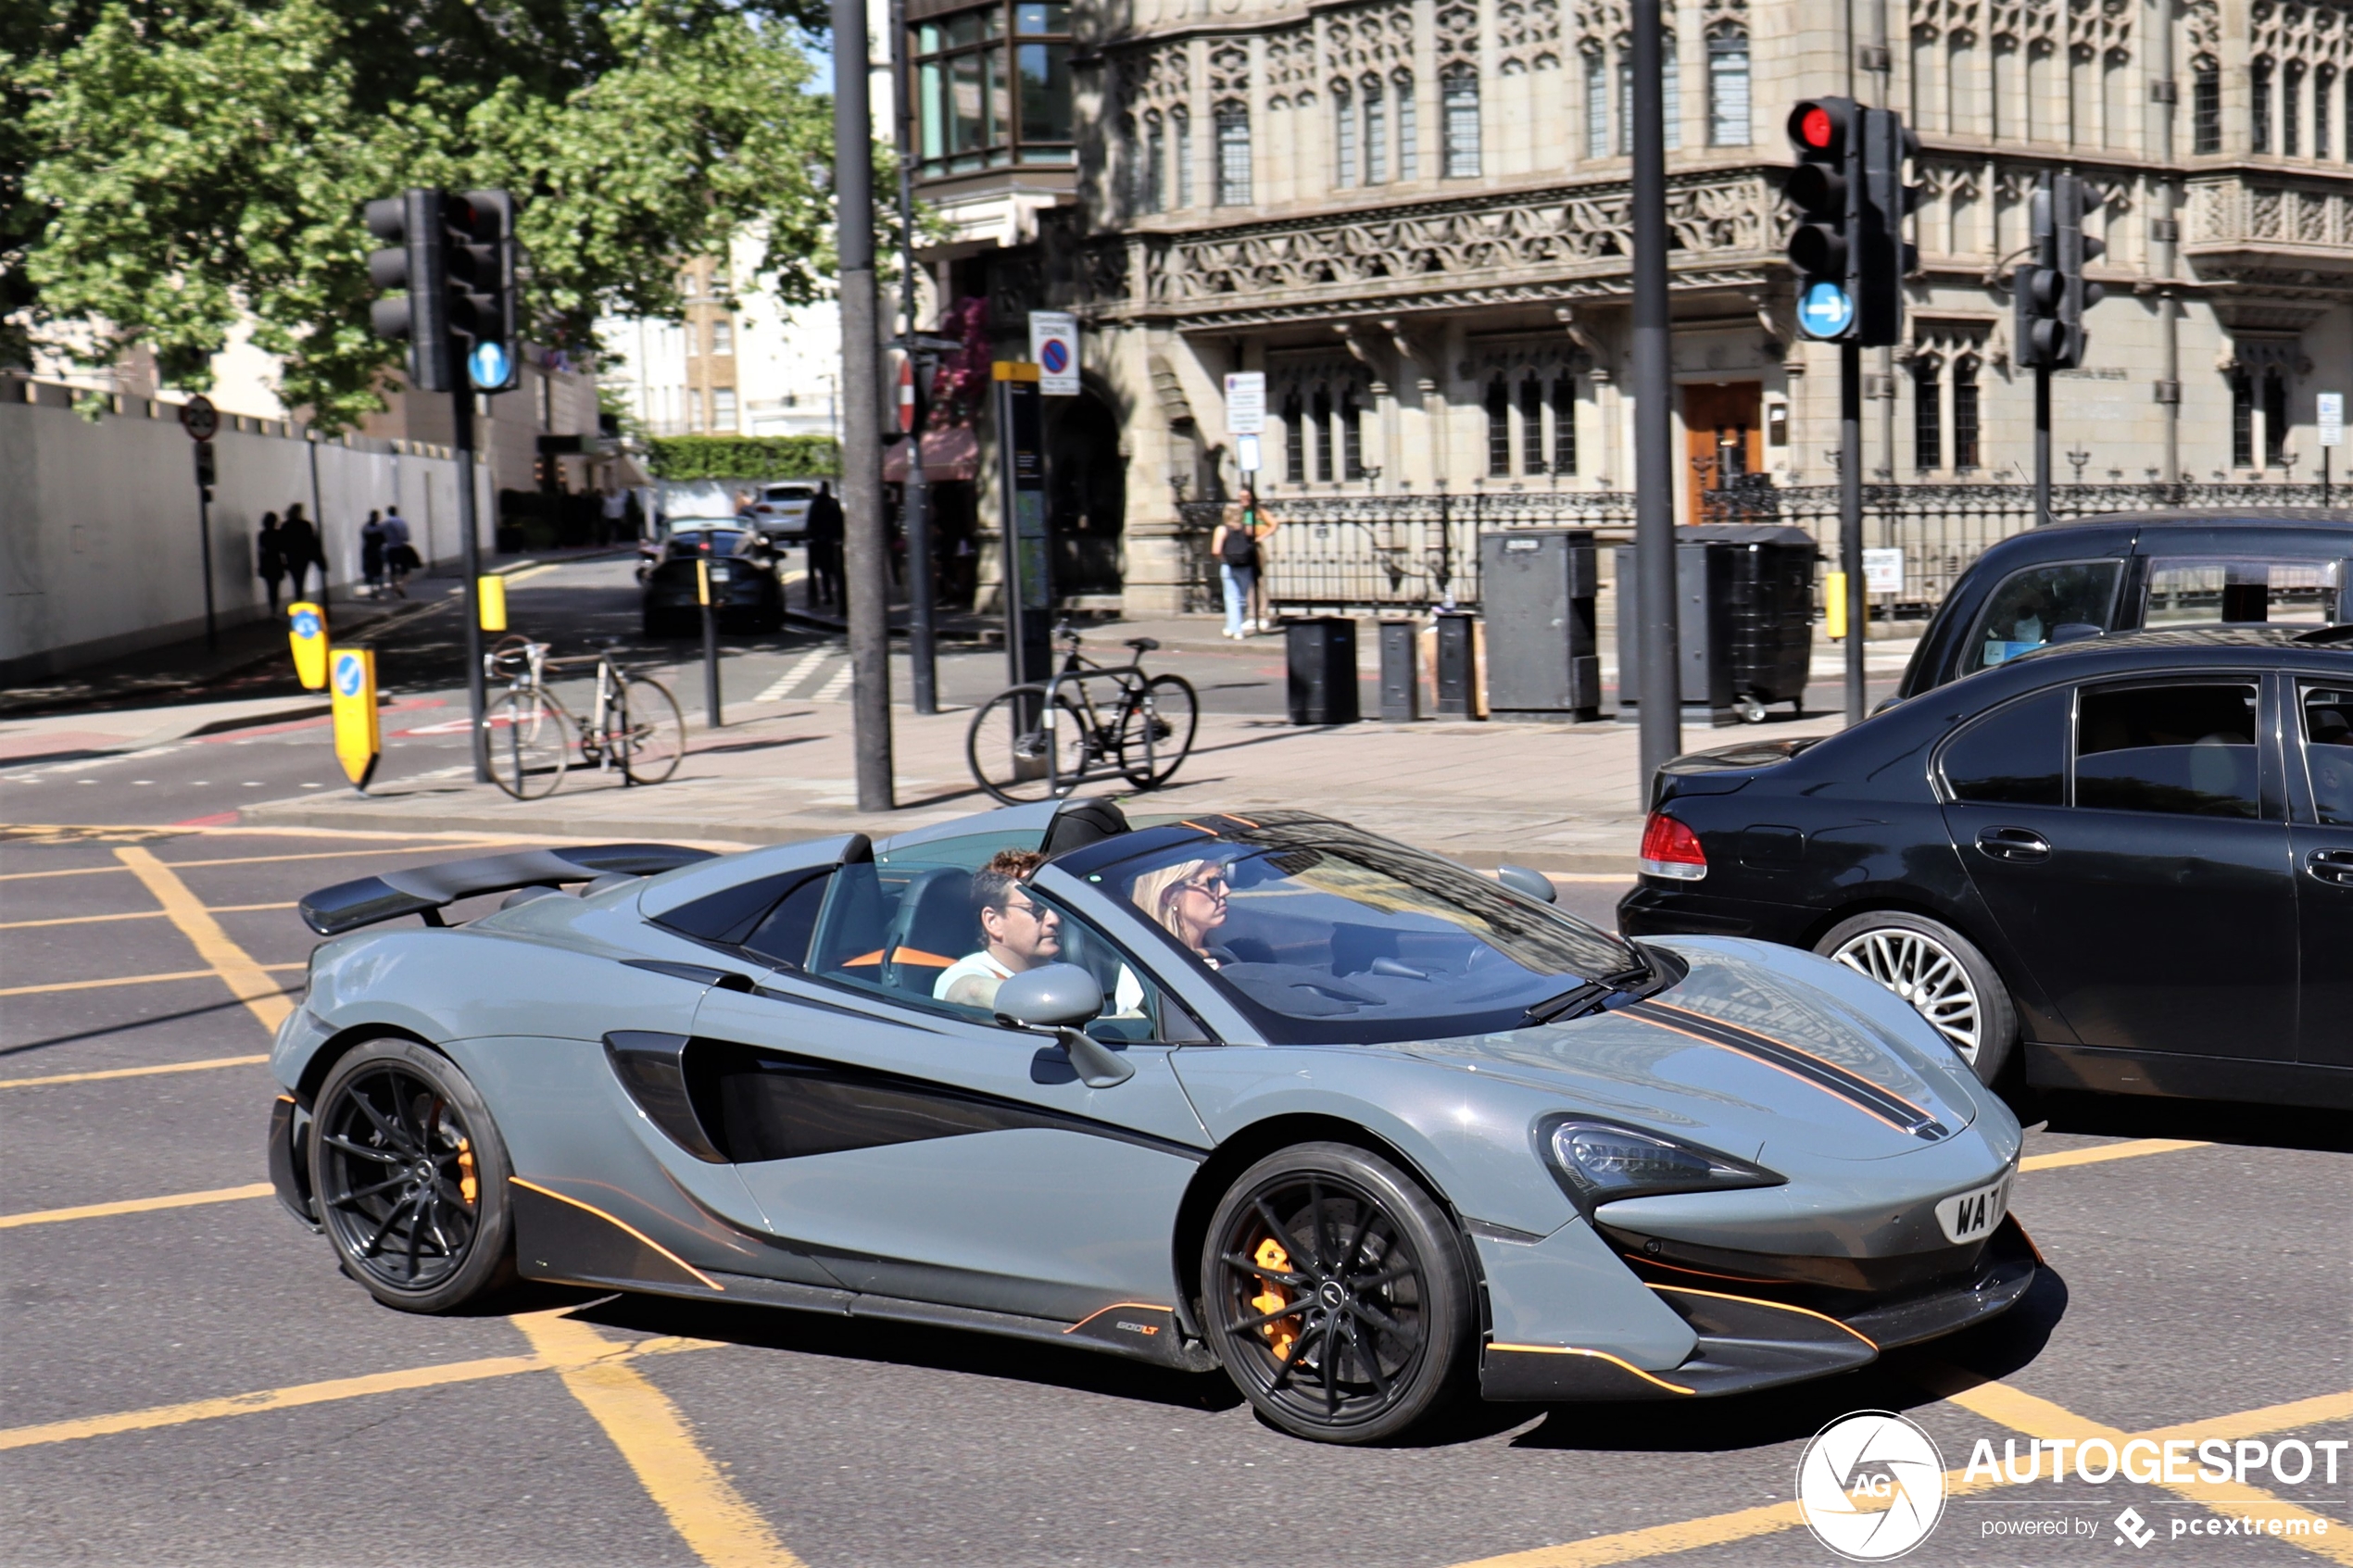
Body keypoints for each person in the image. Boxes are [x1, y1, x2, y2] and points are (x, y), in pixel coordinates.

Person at [934, 851, 1062, 1010]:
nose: (1054, 919)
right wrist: (1047, 1004)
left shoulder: (1062, 972)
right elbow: (973, 991)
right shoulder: (963, 973)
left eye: (1057, 907)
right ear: (992, 920)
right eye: (1036, 909)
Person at [1128, 857, 1233, 967]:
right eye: (1212, 882)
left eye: (1223, 878)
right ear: (1170, 897)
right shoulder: (1153, 970)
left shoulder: (1223, 953)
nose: (1225, 891)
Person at [1209, 486, 1279, 638]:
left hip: (1251, 549)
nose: (1243, 500)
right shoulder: (1239, 511)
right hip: (1237, 552)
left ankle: (1262, 615)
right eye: (1241, 497)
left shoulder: (1258, 510)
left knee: (1258, 581)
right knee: (1244, 587)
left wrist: (1260, 537)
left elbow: (1273, 524)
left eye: (1246, 496)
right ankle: (1251, 615)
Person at [805, 480, 845, 610]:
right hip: (832, 541)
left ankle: (828, 595)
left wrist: (811, 537)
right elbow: (840, 521)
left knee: (824, 571)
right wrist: (839, 537)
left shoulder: (815, 503)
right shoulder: (833, 502)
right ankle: (840, 596)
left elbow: (811, 522)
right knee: (836, 571)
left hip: (820, 541)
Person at [279, 504, 320, 599]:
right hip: (303, 556)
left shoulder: (286, 526)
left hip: (291, 556)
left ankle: (298, 597)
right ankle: (299, 597)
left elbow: (282, 543)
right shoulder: (305, 525)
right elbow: (312, 542)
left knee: (296, 578)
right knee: (301, 578)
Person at [381, 506, 417, 597]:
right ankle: (401, 587)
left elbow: (382, 537)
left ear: (388, 513)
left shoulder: (385, 524)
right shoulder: (401, 522)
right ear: (396, 512)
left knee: (392, 569)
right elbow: (406, 537)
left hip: (390, 548)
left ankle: (394, 588)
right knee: (406, 570)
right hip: (400, 548)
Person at [256, 512, 285, 615]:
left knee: (270, 587)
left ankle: (272, 608)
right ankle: (275, 607)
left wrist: (260, 565)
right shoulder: (278, 534)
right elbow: (283, 549)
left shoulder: (262, 535)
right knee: (275, 587)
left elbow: (260, 551)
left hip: (267, 562)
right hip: (276, 561)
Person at [359, 511, 387, 598]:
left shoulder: (365, 527)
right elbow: (384, 539)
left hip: (368, 551)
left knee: (370, 571)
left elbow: (363, 537)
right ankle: (377, 589)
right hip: (377, 551)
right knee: (378, 570)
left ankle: (372, 589)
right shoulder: (380, 528)